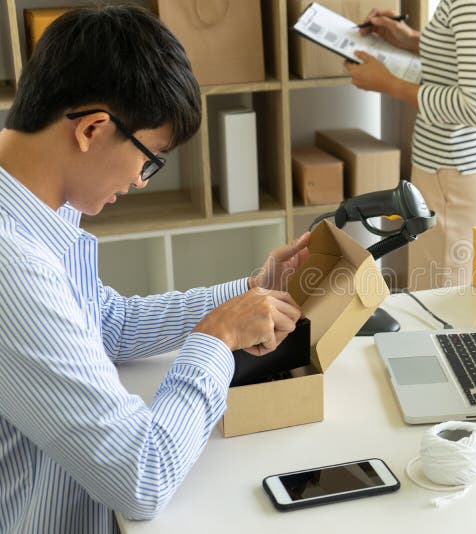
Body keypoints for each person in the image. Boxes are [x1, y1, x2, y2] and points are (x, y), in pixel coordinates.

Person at [0, 6, 308, 532]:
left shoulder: (42, 203)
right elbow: (142, 478)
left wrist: (248, 292)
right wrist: (215, 342)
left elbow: (107, 324)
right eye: (150, 157)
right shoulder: (13, 265)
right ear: (93, 129)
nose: (142, 180)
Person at [346, 0, 476, 290]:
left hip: (456, 181)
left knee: (441, 313)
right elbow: (473, 57)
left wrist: (387, 83)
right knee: (464, 308)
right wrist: (413, 40)